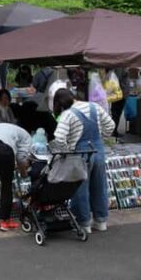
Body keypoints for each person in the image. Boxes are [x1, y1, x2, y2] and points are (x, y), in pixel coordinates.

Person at [52, 88, 115, 234]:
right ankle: (101, 221)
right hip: (98, 151)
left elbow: (59, 138)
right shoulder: (95, 107)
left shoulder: (67, 114)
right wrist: (101, 139)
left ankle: (84, 223)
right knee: (99, 186)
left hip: (79, 154)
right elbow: (111, 125)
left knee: (80, 188)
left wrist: (66, 150)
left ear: (60, 103)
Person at [0, 123, 33, 231]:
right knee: (6, 184)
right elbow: (22, 158)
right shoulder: (28, 137)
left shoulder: (10, 128)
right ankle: (5, 221)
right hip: (3, 148)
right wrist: (24, 173)